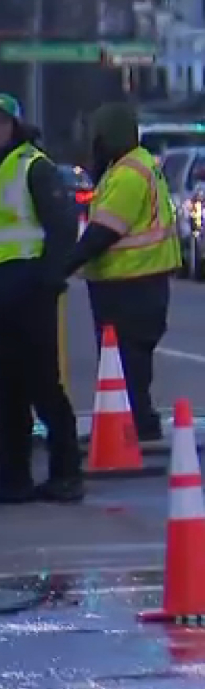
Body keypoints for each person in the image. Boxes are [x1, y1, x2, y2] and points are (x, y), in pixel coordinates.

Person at [67, 102, 181, 447]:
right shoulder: (135, 166)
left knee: (126, 361)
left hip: (130, 283)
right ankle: (135, 422)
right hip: (138, 281)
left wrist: (63, 266)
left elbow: (104, 231)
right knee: (131, 363)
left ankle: (132, 426)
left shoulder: (129, 174)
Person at [0, 94, 84, 503]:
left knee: (43, 387)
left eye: (1, 122)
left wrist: (47, 280)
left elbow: (63, 227)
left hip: (29, 292)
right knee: (6, 392)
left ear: (14, 126)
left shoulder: (33, 166)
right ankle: (13, 479)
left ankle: (66, 473)